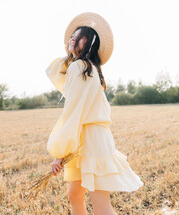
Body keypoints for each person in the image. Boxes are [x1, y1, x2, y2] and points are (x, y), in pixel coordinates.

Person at [45, 12, 144, 215]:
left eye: (80, 36)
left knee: (100, 206)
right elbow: (57, 71)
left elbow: (73, 112)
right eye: (73, 35)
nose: (73, 38)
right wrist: (73, 53)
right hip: (84, 139)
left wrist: (60, 153)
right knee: (75, 196)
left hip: (91, 140)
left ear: (90, 43)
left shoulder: (81, 68)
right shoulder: (85, 68)